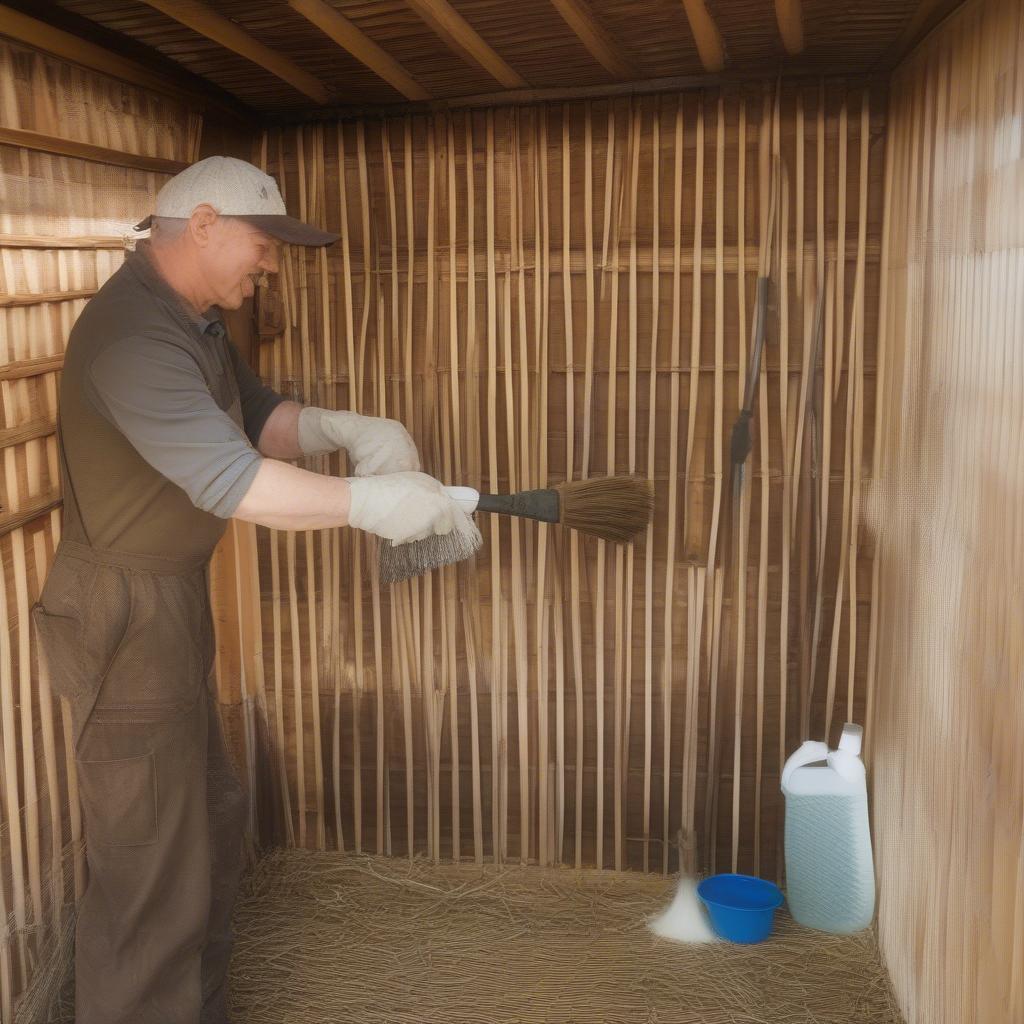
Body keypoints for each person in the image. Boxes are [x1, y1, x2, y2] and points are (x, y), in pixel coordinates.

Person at [31, 156, 461, 1024]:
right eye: (264, 245)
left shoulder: (193, 322)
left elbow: (258, 420)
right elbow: (242, 482)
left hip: (169, 603)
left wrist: (352, 430)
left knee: (208, 823)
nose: (270, 266)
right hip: (124, 614)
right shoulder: (131, 338)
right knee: (151, 867)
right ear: (203, 223)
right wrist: (371, 503)